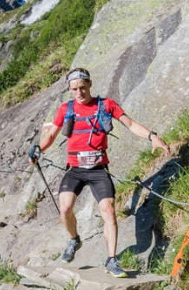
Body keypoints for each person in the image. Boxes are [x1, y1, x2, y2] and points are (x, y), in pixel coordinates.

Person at [30, 68, 168, 277]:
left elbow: (129, 124)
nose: (79, 93)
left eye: (82, 88)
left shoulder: (106, 105)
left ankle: (111, 260)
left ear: (90, 84)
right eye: (74, 89)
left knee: (109, 210)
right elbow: (51, 135)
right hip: (75, 170)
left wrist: (152, 137)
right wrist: (39, 149)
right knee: (65, 209)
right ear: (70, 89)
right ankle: (74, 239)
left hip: (98, 170)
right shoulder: (65, 109)